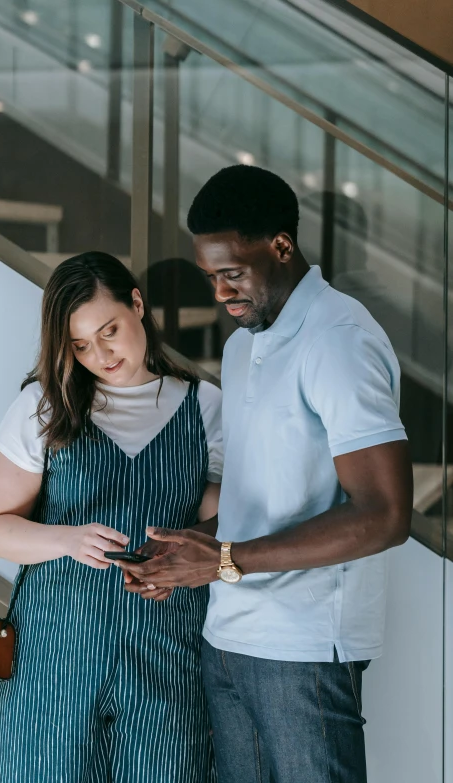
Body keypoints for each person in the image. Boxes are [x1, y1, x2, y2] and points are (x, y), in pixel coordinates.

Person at [121, 166, 414, 783]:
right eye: (211, 277)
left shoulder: (340, 338)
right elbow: (271, 489)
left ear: (282, 246)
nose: (222, 293)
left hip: (303, 648)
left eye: (233, 273)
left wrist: (225, 559)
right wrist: (199, 544)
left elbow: (386, 514)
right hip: (228, 633)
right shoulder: (242, 344)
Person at [0, 252, 222, 782]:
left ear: (137, 304)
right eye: (81, 345)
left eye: (109, 331)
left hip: (167, 650)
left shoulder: (204, 407)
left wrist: (184, 549)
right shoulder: (43, 406)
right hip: (54, 656)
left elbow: (226, 524)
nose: (101, 354)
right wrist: (66, 538)